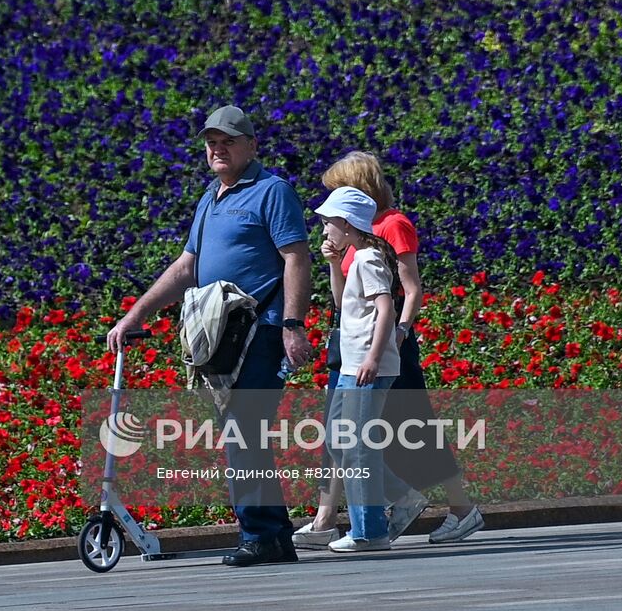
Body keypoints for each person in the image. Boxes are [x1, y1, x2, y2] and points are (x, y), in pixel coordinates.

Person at [108, 104, 313, 567]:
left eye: (229, 141)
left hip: (258, 330)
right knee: (242, 433)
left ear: (251, 146)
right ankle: (273, 537)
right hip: (221, 335)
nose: (218, 149)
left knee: (243, 431)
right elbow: (187, 266)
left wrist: (292, 325)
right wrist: (135, 315)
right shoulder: (211, 196)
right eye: (212, 143)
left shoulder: (272, 191)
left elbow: (296, 259)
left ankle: (261, 535)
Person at [294, 152, 483, 548]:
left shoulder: (390, 225)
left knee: (413, 427)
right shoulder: (350, 236)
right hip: (352, 343)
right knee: (340, 432)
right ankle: (327, 517)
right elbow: (343, 296)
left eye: (338, 189)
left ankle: (459, 508)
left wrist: (397, 335)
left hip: (384, 342)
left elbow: (409, 290)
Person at [312, 185, 410, 552]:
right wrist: (335, 263)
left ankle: (369, 531)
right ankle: (393, 503)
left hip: (366, 367)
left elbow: (386, 308)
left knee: (357, 447)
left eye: (329, 223)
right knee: (341, 441)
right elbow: (341, 303)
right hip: (353, 367)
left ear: (348, 223)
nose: (324, 230)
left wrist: (372, 357)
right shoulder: (356, 258)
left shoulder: (368, 259)